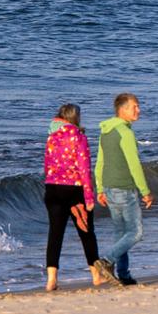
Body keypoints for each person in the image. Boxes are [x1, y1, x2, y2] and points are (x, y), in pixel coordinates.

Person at [94, 93, 154, 286]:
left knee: (121, 234)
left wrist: (100, 189)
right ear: (123, 109)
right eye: (134, 106)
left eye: (138, 106)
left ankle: (123, 274)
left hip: (110, 188)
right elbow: (134, 164)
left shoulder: (106, 131)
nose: (138, 110)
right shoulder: (125, 133)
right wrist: (145, 191)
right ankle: (106, 260)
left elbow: (100, 163)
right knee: (135, 233)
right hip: (124, 189)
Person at [43, 103, 102, 291]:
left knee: (55, 234)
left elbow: (47, 165)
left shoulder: (51, 137)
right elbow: (84, 169)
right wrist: (89, 197)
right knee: (86, 233)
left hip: (52, 188)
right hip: (74, 190)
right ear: (75, 117)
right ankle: (96, 275)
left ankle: (51, 279)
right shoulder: (79, 137)